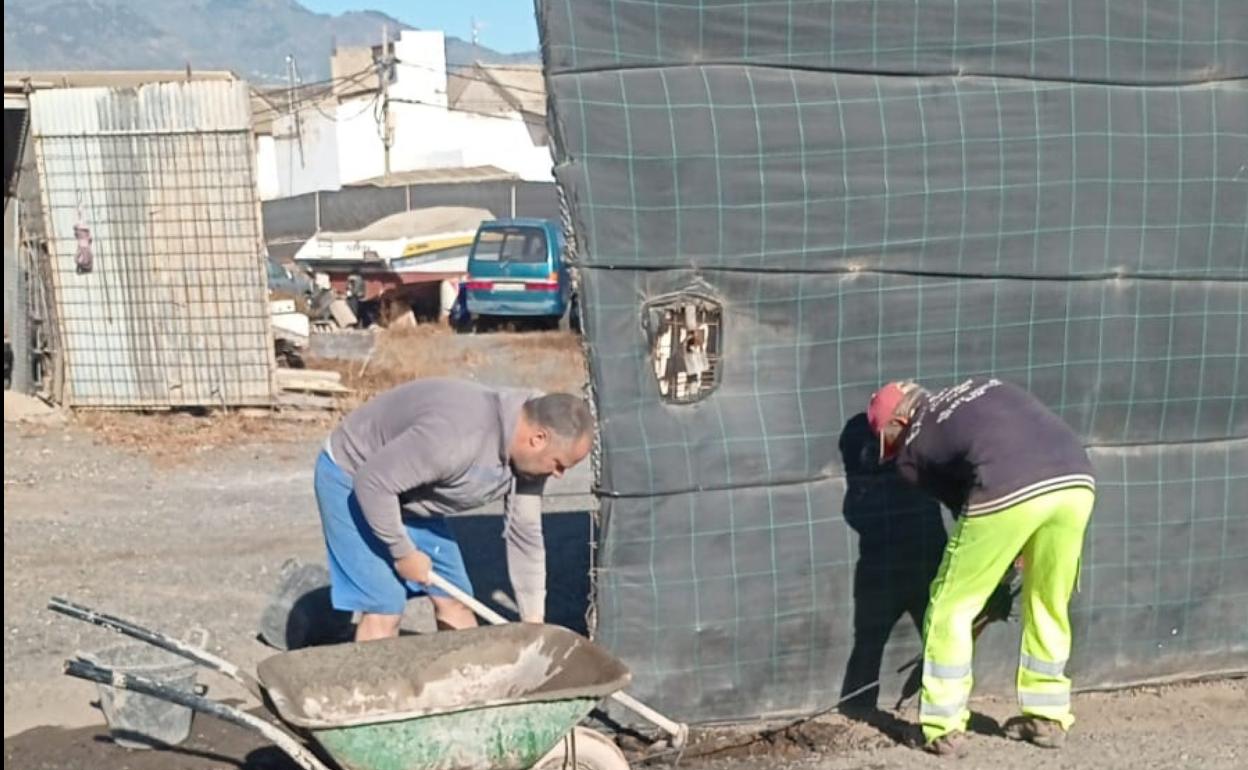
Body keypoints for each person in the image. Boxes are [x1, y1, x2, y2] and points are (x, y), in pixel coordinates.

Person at [866, 378, 1095, 755]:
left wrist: (999, 563)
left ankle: (941, 727)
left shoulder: (912, 448)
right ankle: (1047, 714)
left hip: (1008, 488)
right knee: (1048, 600)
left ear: (897, 425)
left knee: (949, 606)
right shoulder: (986, 386)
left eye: (888, 442)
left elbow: (969, 509)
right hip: (1076, 479)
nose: (894, 453)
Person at [314, 377, 594, 641]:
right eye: (559, 464)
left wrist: (533, 622)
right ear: (538, 438)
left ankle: (464, 686)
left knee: (456, 599)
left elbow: (526, 534)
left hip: (410, 493)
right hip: (352, 476)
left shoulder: (530, 462)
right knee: (384, 604)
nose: (558, 475)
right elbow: (372, 484)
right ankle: (371, 691)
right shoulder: (455, 440)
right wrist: (402, 552)